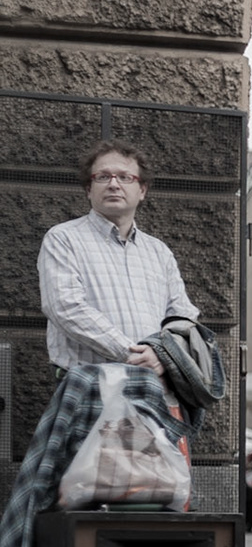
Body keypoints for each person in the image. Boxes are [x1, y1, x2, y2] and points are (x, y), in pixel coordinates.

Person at [38, 141, 199, 376]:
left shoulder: (159, 252)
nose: (114, 184)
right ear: (88, 189)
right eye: (103, 177)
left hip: (155, 385)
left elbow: (184, 316)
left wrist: (162, 354)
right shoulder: (63, 239)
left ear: (142, 190)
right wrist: (133, 354)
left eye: (125, 177)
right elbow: (65, 307)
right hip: (90, 383)